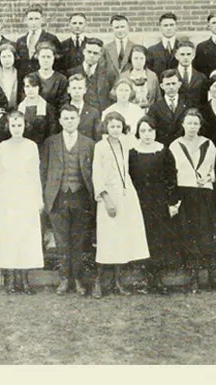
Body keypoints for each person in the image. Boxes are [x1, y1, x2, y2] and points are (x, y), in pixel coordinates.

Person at [90, 112, 149, 297]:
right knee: (107, 239)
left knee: (122, 239)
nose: (115, 129)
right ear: (106, 127)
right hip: (109, 195)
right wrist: (106, 199)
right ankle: (98, 283)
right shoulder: (100, 146)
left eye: (118, 126)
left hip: (126, 195)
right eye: (112, 126)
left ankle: (117, 282)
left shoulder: (126, 143)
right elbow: (97, 174)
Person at [43, 106, 97, 295]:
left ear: (78, 119)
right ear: (60, 121)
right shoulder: (51, 143)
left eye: (72, 118)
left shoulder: (89, 144)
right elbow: (43, 171)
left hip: (80, 197)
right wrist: (46, 197)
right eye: (65, 118)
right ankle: (64, 279)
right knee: (61, 241)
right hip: (58, 197)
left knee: (79, 240)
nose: (69, 121)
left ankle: (78, 280)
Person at [169, 109, 216, 293]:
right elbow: (171, 172)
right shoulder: (175, 145)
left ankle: (211, 276)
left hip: (204, 193)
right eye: (189, 123)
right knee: (189, 233)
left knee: (207, 233)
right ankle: (193, 278)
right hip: (185, 194)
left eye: (195, 123)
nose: (192, 127)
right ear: (183, 125)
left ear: (200, 126)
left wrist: (208, 178)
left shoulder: (209, 144)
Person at [0, 111, 43, 294]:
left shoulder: (31, 146)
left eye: (19, 125)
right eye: (13, 125)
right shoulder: (2, 147)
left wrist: (39, 198)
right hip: (7, 195)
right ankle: (11, 280)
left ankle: (25, 279)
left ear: (25, 126)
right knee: (9, 236)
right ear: (8, 127)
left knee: (25, 235)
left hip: (26, 194)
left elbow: (35, 174)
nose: (16, 128)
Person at [129, 117, 178, 294]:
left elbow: (172, 177)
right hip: (139, 201)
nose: (147, 135)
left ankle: (158, 279)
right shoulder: (132, 153)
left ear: (155, 132)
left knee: (159, 239)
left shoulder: (163, 151)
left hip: (159, 200)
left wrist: (172, 202)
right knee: (143, 238)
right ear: (138, 133)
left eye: (150, 130)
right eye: (143, 131)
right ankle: (145, 279)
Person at [105, 78, 146, 146]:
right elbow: (105, 136)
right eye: (121, 90)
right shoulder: (108, 111)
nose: (123, 93)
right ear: (115, 91)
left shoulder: (138, 111)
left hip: (134, 147)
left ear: (131, 92)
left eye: (126, 90)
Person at [16, 72, 54, 142]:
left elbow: (52, 133)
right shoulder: (18, 108)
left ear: (39, 87)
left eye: (34, 86)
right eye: (27, 86)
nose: (30, 90)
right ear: (23, 88)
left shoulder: (48, 108)